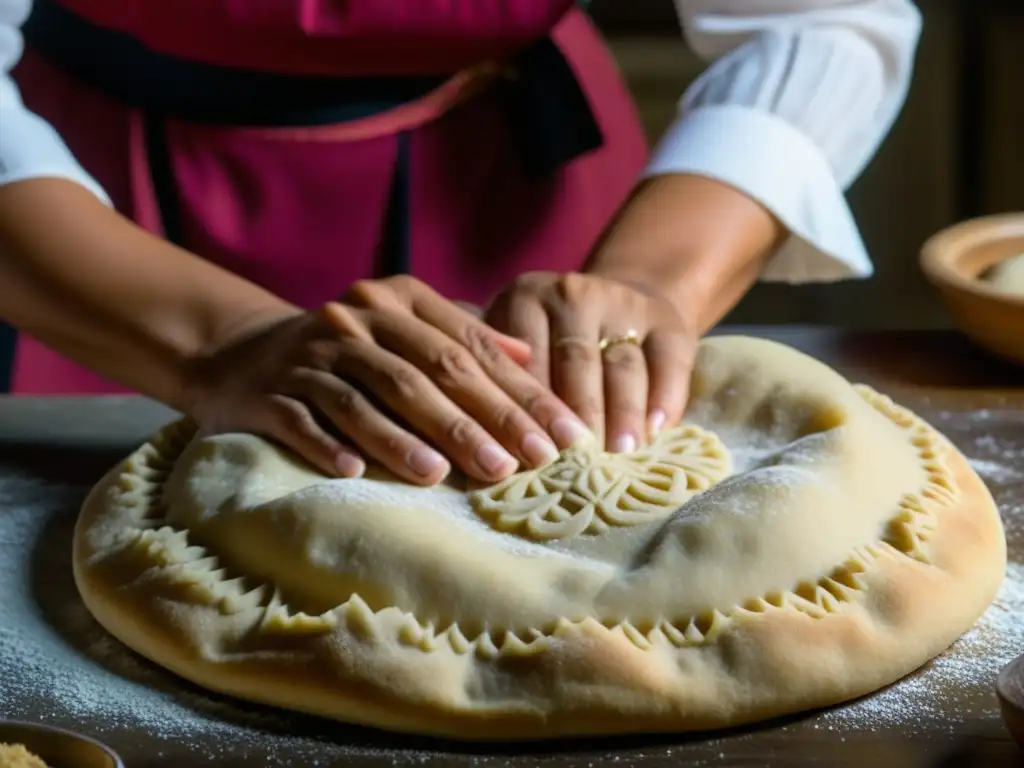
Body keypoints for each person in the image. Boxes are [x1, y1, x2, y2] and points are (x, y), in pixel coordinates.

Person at [0, 0, 921, 486]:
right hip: (90, 226)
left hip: (518, 186)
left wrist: (649, 280)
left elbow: (820, 21)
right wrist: (220, 344)